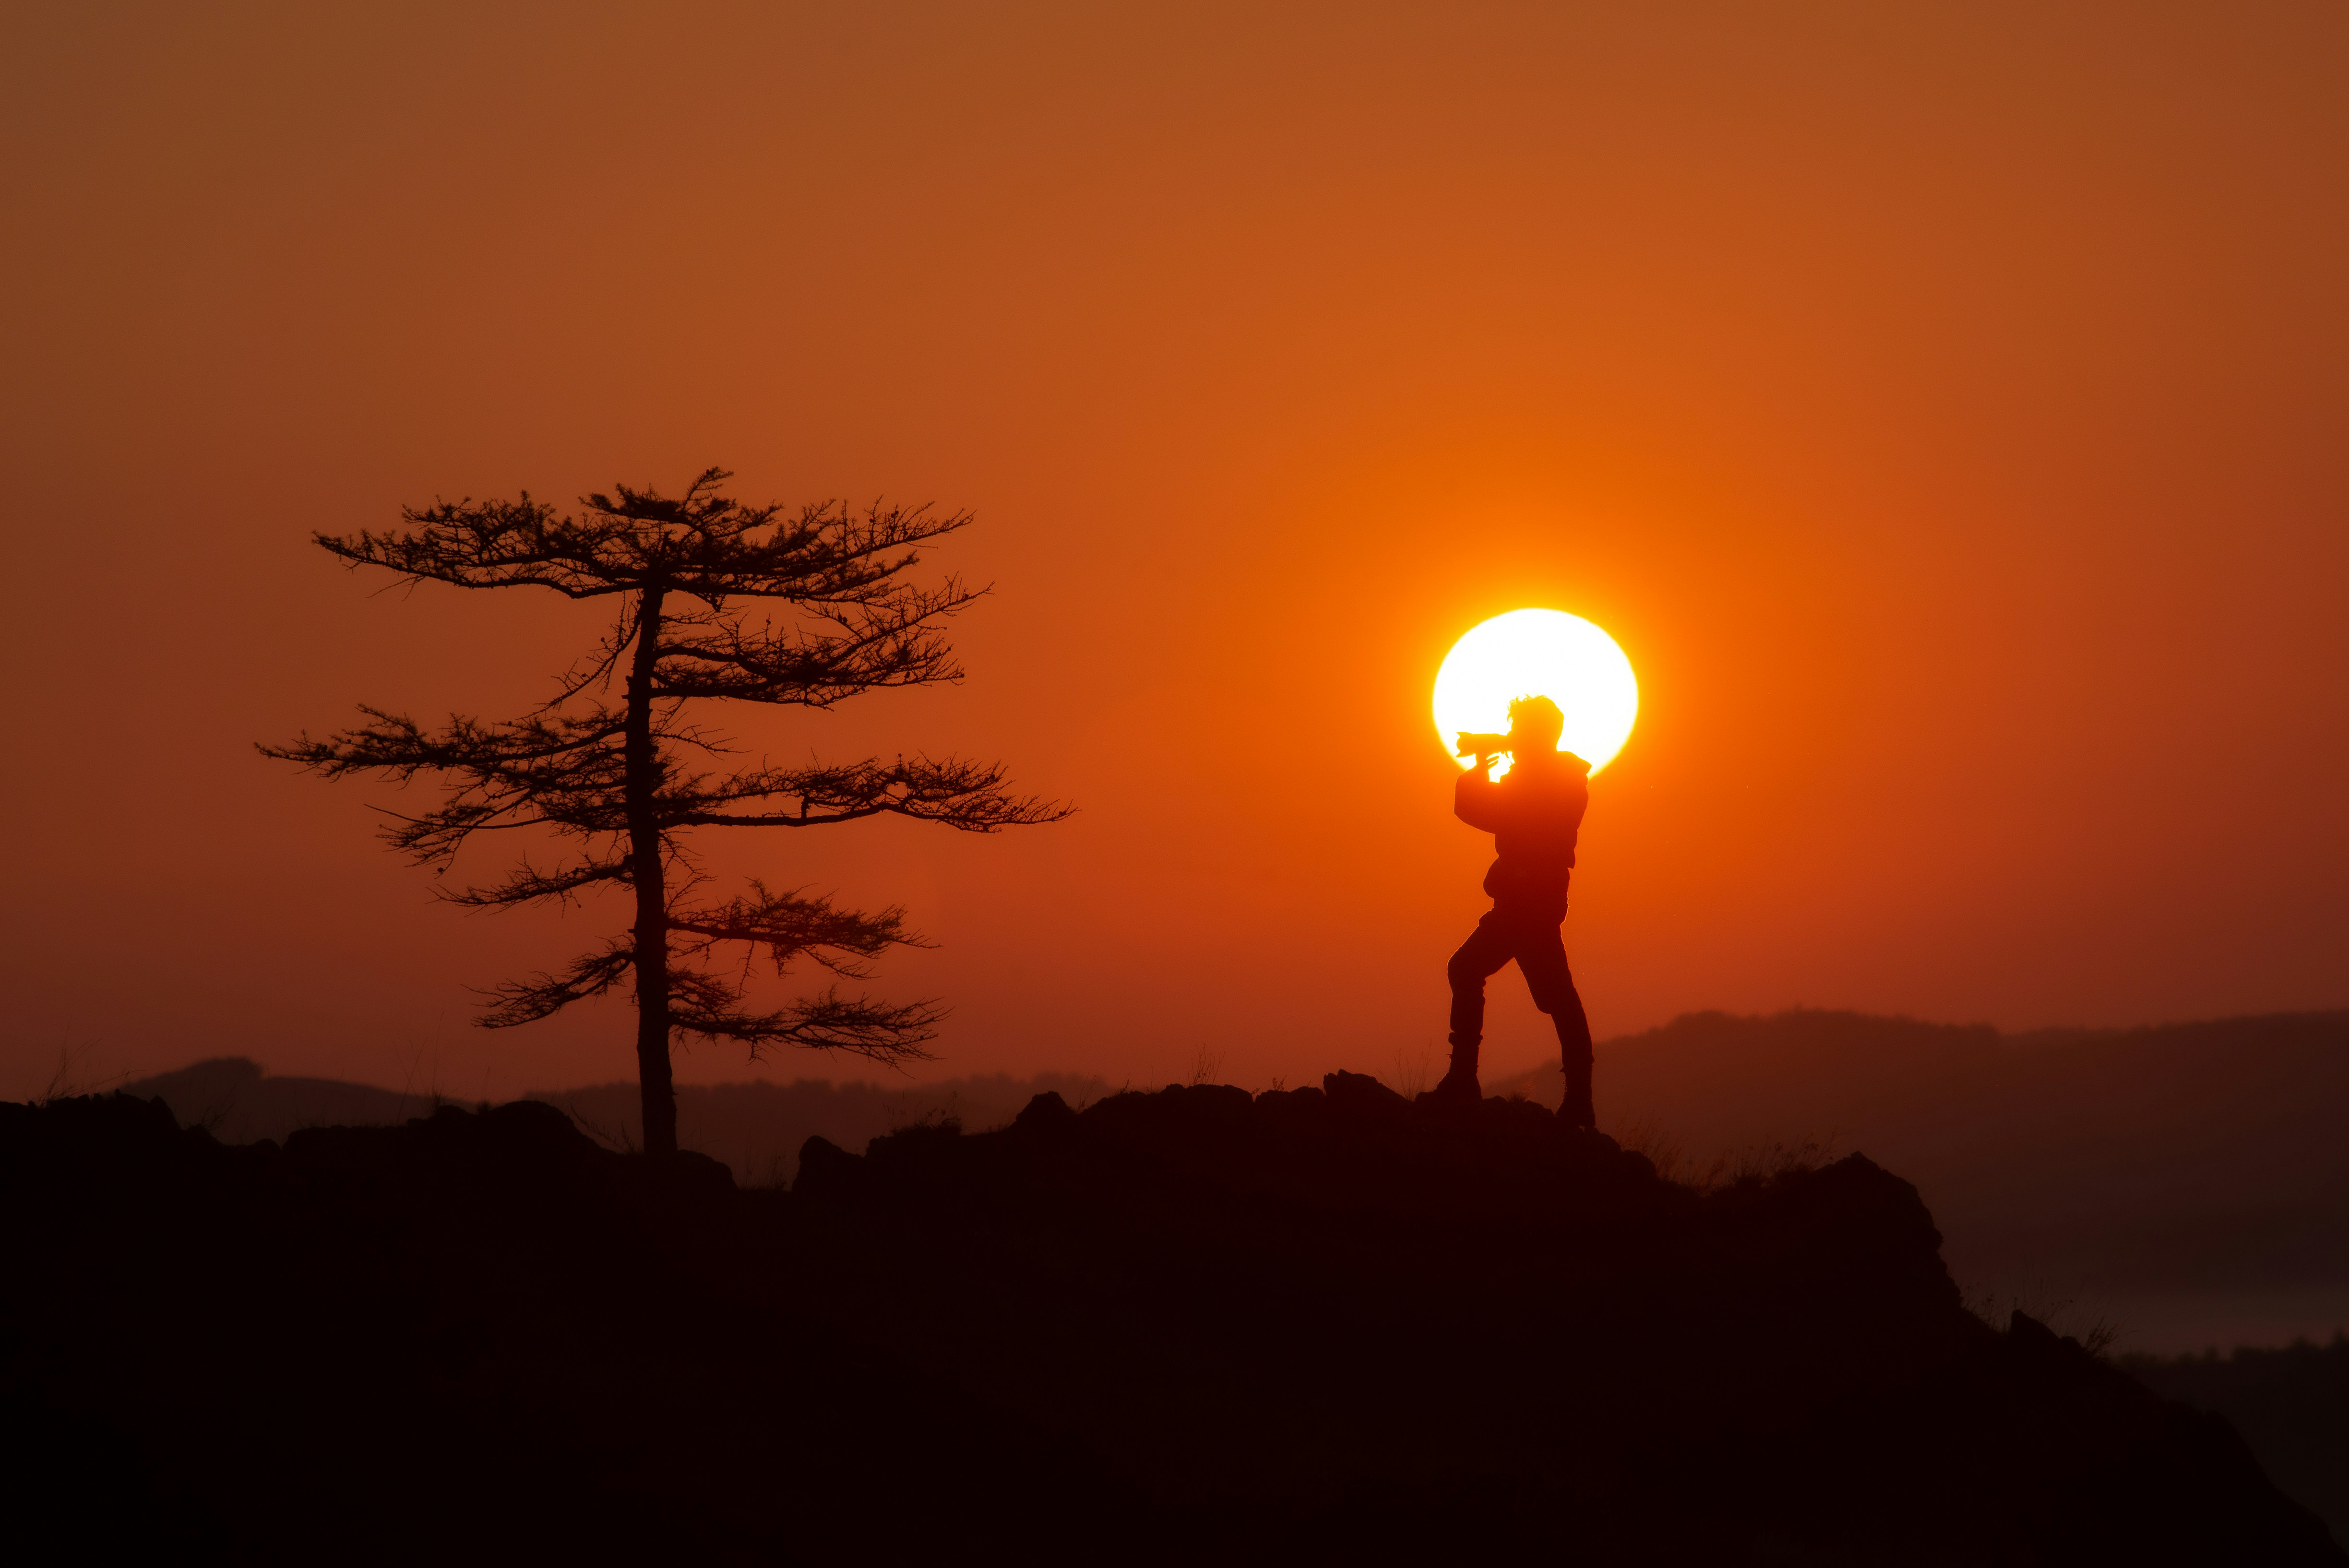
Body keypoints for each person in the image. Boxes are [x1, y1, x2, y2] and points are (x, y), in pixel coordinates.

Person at [1437, 694, 1597, 1126]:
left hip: (1530, 902)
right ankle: (1576, 1099)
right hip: (1524, 901)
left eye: (1520, 730)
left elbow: (1490, 812)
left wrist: (1482, 765)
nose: (1514, 736)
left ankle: (1574, 1100)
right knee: (1550, 995)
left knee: (1550, 996)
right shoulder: (1546, 773)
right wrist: (1488, 760)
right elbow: (1486, 810)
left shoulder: (1554, 780)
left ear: (1537, 734)